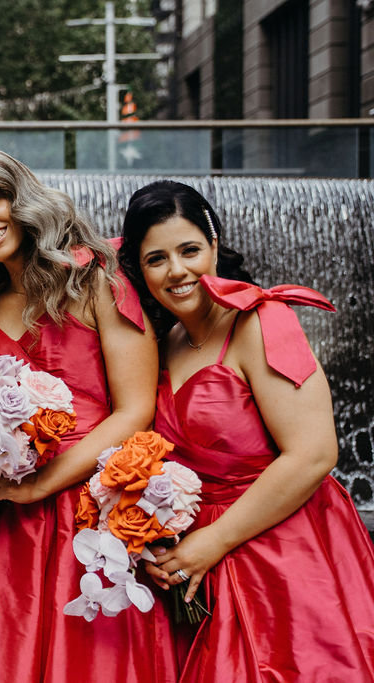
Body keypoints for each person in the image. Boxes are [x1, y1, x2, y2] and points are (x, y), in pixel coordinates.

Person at [119, 180, 374, 681]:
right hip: (193, 564)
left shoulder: (261, 322)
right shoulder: (163, 340)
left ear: (214, 245)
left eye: (189, 250)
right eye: (156, 259)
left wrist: (213, 541)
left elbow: (314, 453)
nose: (177, 271)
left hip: (278, 547)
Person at [0, 147, 176, 682]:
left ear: (19, 194)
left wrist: (43, 484)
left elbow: (136, 407)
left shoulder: (98, 280)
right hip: (9, 519)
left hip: (95, 504)